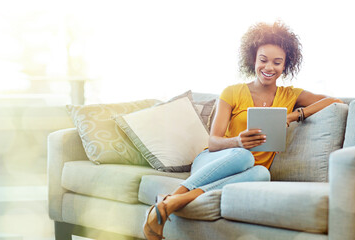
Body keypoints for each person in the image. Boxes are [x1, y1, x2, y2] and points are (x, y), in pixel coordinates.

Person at [143, 21, 343, 240]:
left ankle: (174, 202)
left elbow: (333, 100)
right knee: (243, 155)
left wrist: (295, 115)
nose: (269, 68)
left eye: (277, 63)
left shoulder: (290, 95)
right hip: (215, 160)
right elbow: (213, 142)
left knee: (263, 173)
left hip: (248, 171)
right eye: (263, 60)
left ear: (285, 65)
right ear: (253, 60)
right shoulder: (232, 92)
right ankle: (174, 195)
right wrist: (238, 141)